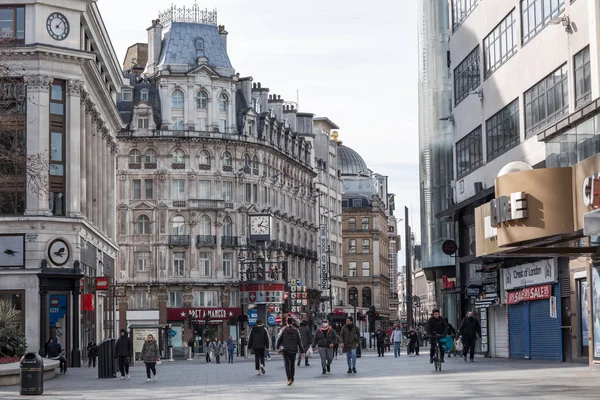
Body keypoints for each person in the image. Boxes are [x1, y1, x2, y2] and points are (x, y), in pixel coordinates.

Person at [276, 317, 305, 386]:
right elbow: (299, 342)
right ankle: (292, 378)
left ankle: (289, 379)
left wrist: (277, 347)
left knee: (287, 364)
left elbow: (279, 339)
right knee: (292, 365)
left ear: (286, 322)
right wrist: (302, 351)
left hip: (285, 349)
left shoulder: (283, 330)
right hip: (293, 350)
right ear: (292, 322)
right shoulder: (296, 330)